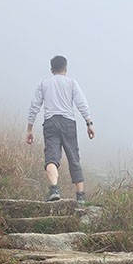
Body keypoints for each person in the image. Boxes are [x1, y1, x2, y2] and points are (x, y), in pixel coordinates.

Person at [26, 55, 95, 203]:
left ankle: (54, 189)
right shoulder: (71, 83)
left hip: (50, 123)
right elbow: (81, 103)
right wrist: (89, 123)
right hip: (68, 122)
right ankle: (80, 197)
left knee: (51, 158)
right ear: (66, 68)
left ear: (51, 69)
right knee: (73, 158)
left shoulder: (44, 84)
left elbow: (34, 106)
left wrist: (29, 129)